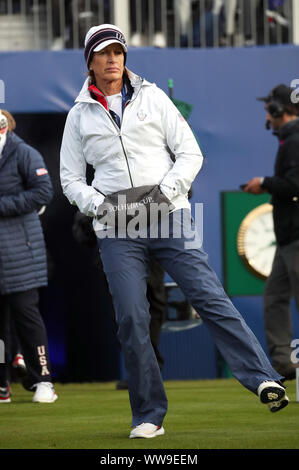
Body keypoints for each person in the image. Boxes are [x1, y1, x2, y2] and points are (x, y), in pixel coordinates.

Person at [60, 23, 288, 438]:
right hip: (116, 227)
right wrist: (101, 206)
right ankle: (148, 414)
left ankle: (262, 378)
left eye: (118, 52)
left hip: (169, 215)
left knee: (210, 296)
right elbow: (70, 178)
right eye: (104, 53)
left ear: (125, 57)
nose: (113, 60)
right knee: (131, 318)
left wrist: (164, 193)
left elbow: (189, 153)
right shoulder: (78, 115)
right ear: (89, 61)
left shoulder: (154, 97)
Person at [0, 110, 57, 404]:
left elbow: (43, 192)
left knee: (27, 317)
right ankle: (2, 384)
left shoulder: (23, 153)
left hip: (21, 252)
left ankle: (43, 380)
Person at [71, 211, 166, 389]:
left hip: (152, 249)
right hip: (116, 250)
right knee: (126, 314)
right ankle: (140, 371)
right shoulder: (100, 187)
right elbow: (84, 226)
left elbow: (184, 190)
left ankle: (149, 370)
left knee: (152, 309)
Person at [243, 84, 299, 381]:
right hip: (288, 237)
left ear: (279, 110)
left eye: (269, 108)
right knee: (275, 297)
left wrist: (264, 183)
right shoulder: (289, 140)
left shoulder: (294, 141)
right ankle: (283, 363)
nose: (267, 113)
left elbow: (294, 185)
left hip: (296, 236)